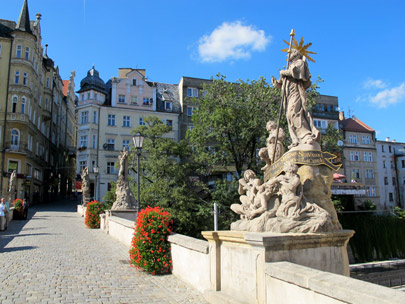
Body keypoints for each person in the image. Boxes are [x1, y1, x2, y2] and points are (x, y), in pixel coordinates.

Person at [272, 49, 320, 149]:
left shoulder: (300, 62)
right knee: (289, 116)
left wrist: (284, 72)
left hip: (296, 92)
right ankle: (296, 140)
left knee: (295, 113)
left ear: (294, 54)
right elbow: (282, 83)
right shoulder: (289, 66)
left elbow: (296, 73)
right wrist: (276, 83)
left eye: (288, 54)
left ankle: (306, 136)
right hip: (288, 96)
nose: (287, 56)